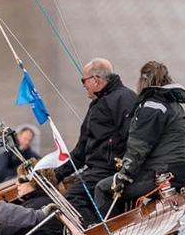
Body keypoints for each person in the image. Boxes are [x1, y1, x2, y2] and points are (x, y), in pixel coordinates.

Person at [94, 61, 185, 217]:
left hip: (162, 173)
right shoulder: (173, 104)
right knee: (127, 183)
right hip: (179, 171)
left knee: (103, 188)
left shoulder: (152, 106)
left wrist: (123, 174)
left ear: (144, 80)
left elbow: (139, 146)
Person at [54, 58, 136, 225]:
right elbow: (80, 152)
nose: (83, 85)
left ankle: (98, 233)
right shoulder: (97, 104)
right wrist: (55, 174)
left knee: (70, 200)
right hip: (94, 171)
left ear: (96, 80)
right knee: (71, 195)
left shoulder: (124, 99)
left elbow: (133, 140)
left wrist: (126, 171)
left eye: (83, 80)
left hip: (109, 171)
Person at [0, 161, 63, 235]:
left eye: (21, 180)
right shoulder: (48, 199)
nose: (17, 183)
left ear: (35, 181)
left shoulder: (35, 205)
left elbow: (2, 233)